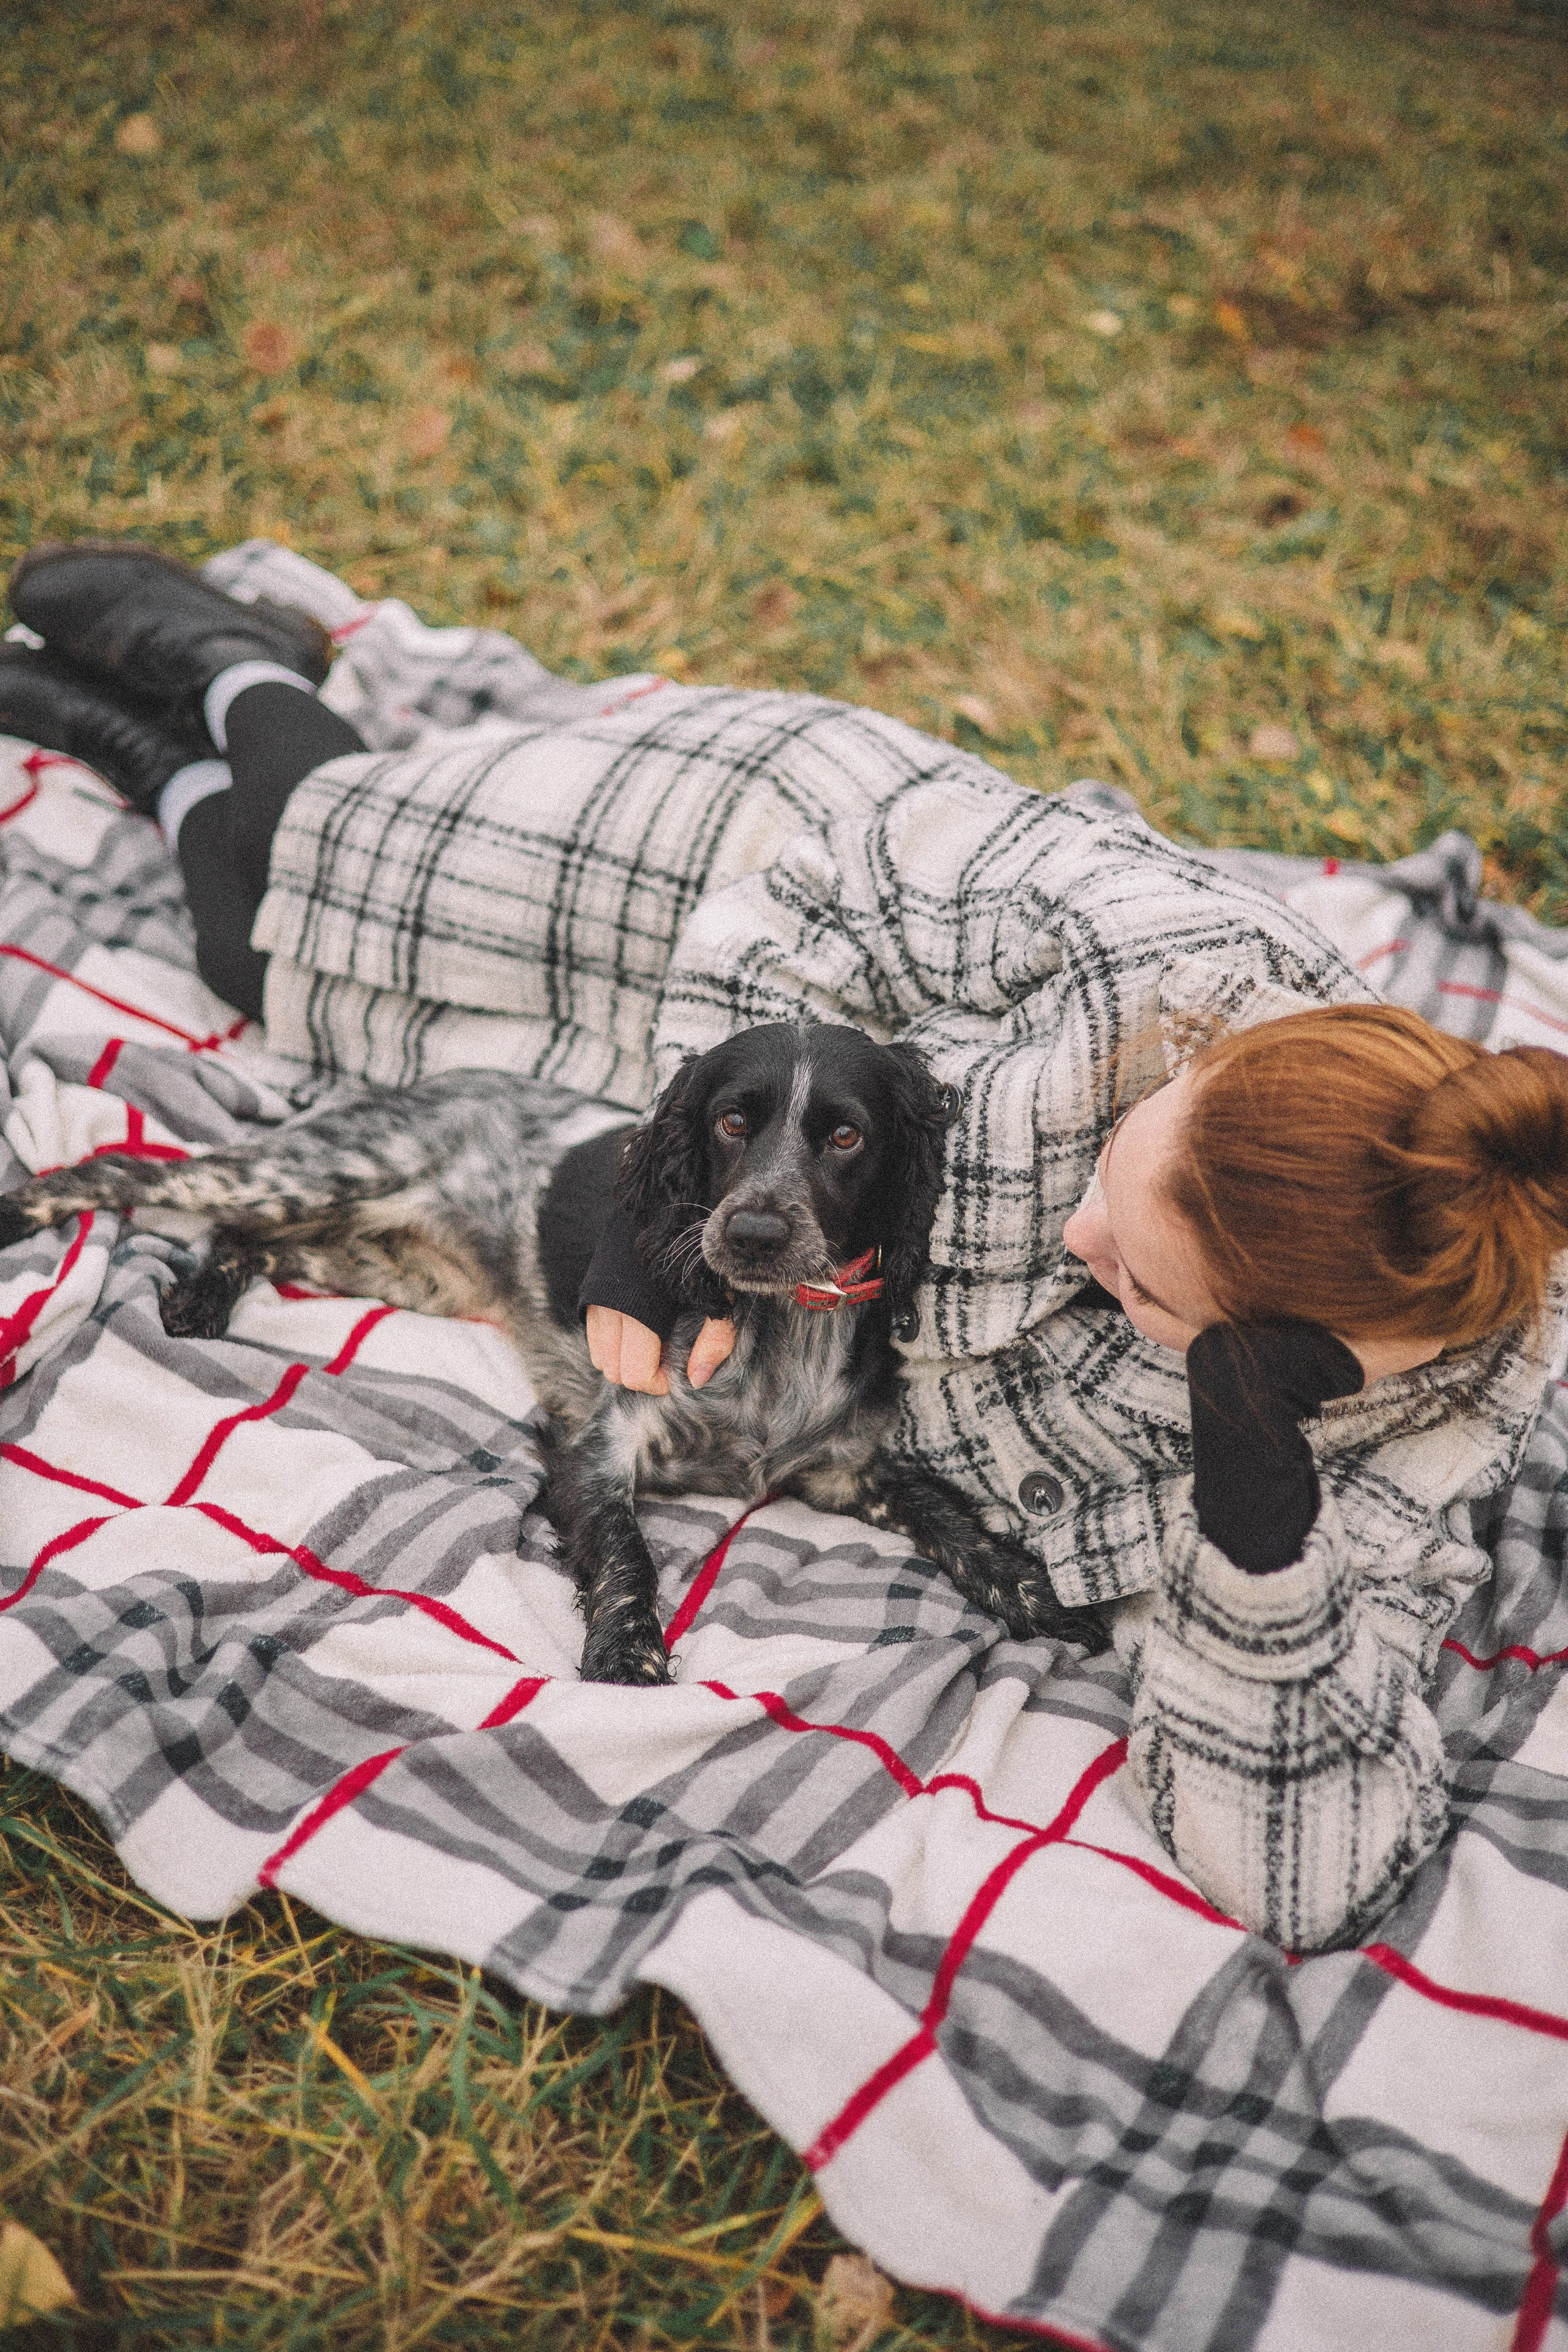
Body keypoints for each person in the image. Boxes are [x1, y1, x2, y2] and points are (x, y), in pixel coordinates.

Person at [4, 537, 1567, 1953]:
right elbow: (821, 888)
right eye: (1115, 1163)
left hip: (782, 1139)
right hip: (725, 913)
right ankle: (228, 669)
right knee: (315, 870)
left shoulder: (1379, 1474)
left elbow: (1309, 1874)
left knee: (264, 964)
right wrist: (653, 1204)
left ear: (1265, 1358)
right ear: (1204, 1061)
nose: (1080, 1230)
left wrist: (1254, 1527)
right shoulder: (1183, 964)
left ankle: (137, 733)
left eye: (1138, 1281)